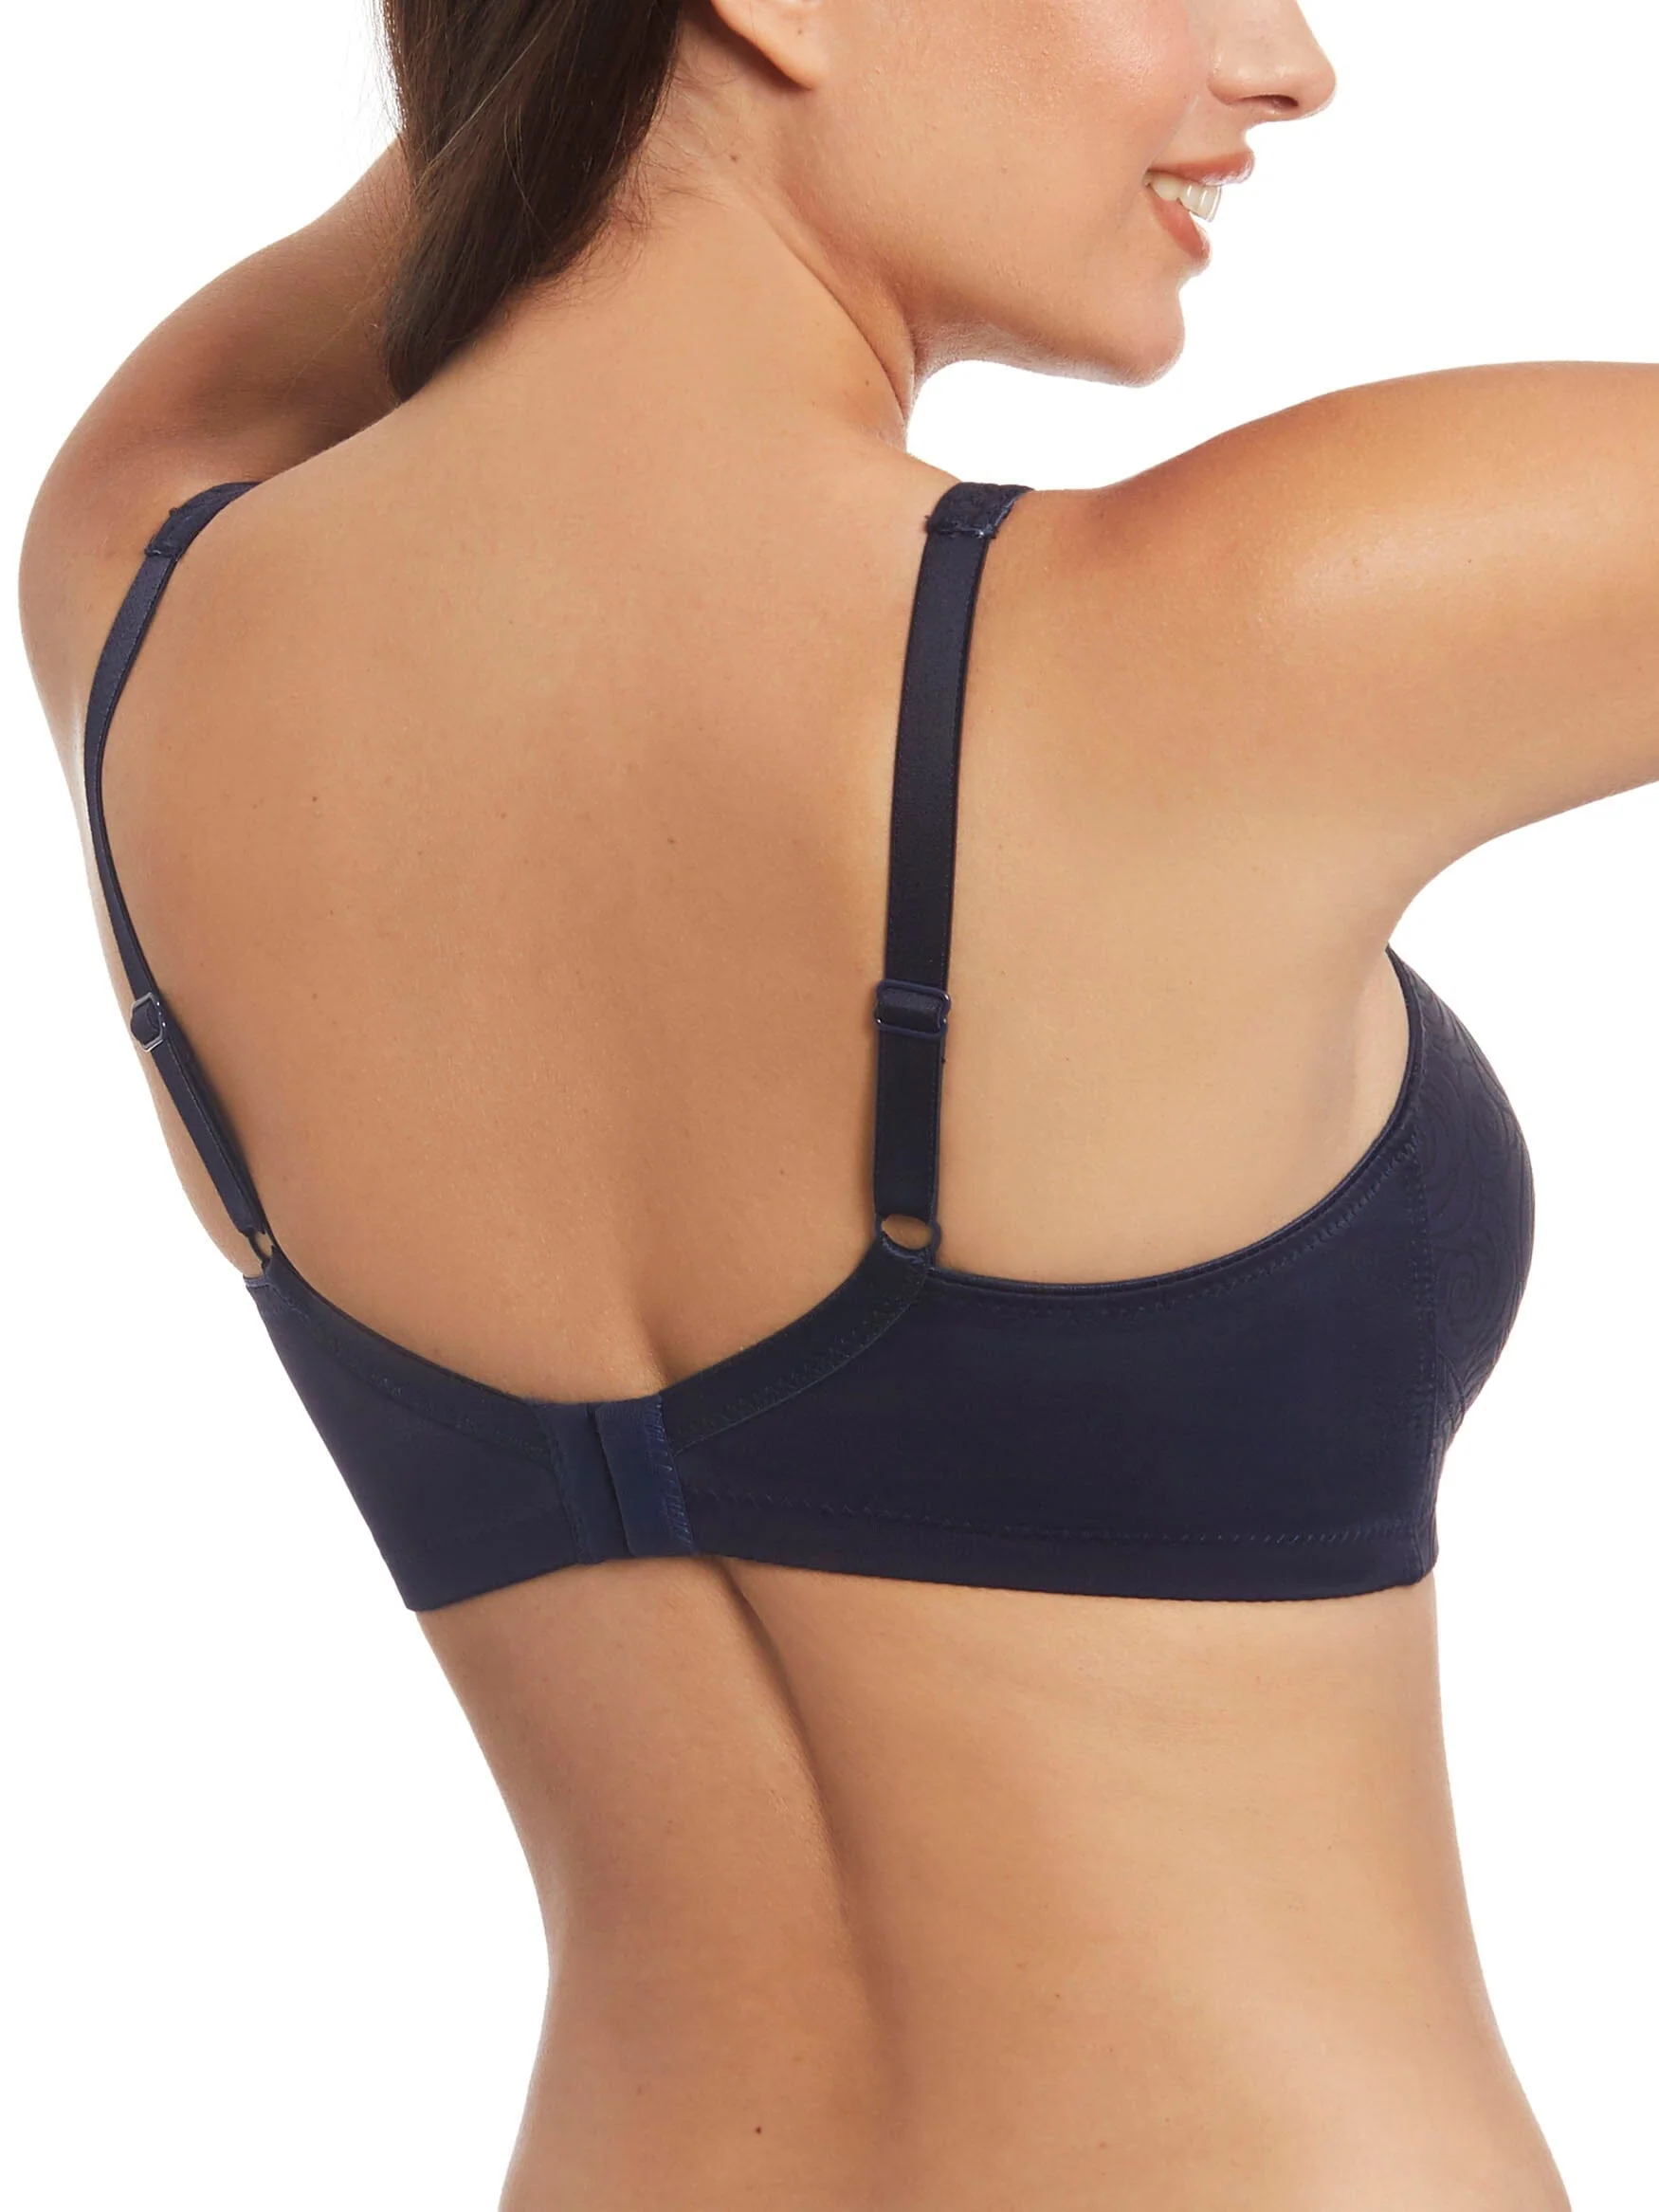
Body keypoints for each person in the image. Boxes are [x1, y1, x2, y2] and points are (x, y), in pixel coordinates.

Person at [25, 0, 1648, 2203]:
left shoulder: (137, 605)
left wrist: (611, 66)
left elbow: (490, 158)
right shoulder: (1229, 639)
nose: (1286, 63)